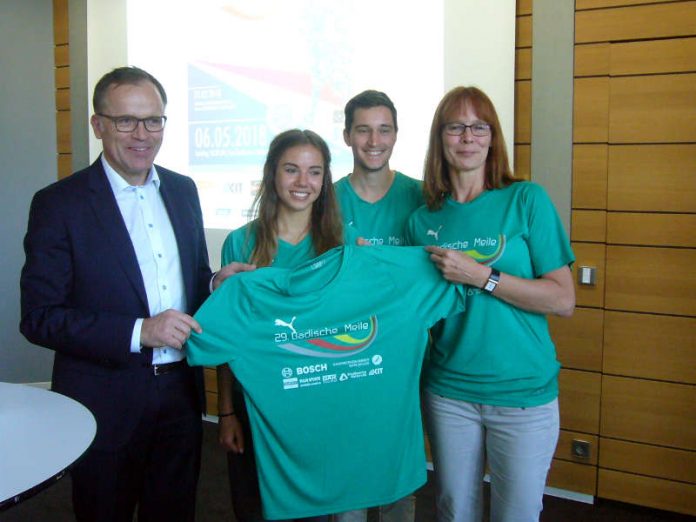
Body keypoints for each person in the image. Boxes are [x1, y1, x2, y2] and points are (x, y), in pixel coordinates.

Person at [19, 66, 238, 522]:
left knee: (174, 512)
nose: (142, 134)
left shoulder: (183, 190)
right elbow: (39, 317)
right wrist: (141, 331)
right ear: (98, 124)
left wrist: (214, 284)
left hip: (181, 393)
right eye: (126, 121)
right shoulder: (59, 204)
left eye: (153, 120)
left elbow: (190, 278)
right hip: (103, 402)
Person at [405, 86, 575, 522]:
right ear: (440, 138)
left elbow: (562, 299)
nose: (468, 137)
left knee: (515, 515)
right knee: (453, 512)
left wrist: (483, 276)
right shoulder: (423, 220)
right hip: (449, 393)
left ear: (493, 137)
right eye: (456, 127)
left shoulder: (525, 199)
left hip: (523, 394)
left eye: (479, 127)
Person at [216, 129, 348, 522]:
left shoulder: (342, 243)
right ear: (272, 173)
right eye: (291, 170)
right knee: (256, 507)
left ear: (325, 181)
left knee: (317, 510)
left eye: (314, 172)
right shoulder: (240, 243)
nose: (303, 182)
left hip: (319, 404)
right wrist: (225, 412)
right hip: (254, 403)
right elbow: (227, 339)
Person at [333, 90, 422, 522]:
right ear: (347, 135)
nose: (374, 140)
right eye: (363, 129)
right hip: (344, 369)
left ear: (396, 135)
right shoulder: (323, 203)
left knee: (396, 489)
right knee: (346, 488)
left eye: (384, 129)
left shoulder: (423, 199)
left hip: (402, 373)